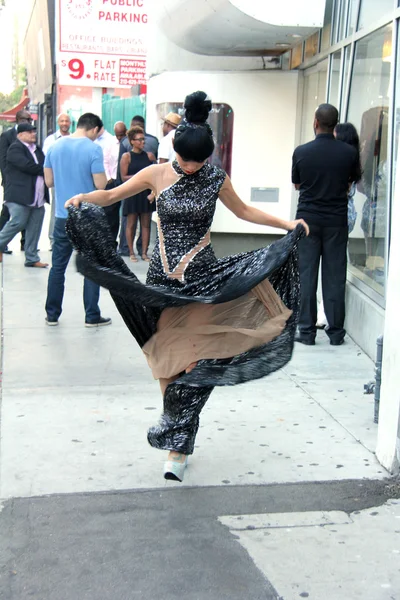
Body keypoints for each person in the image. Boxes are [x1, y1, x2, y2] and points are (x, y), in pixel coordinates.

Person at [65, 91, 308, 483]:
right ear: (174, 152)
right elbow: (110, 195)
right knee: (164, 360)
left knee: (195, 361)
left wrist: (286, 225)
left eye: (198, 161)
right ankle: (177, 426)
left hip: (203, 283)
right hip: (160, 284)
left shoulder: (215, 177)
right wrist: (82, 198)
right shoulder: (156, 173)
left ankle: (177, 446)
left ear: (209, 157)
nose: (191, 167)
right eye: (184, 160)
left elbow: (244, 210)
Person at [292, 104, 361, 347]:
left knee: (307, 276)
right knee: (334, 276)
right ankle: (336, 334)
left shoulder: (301, 152)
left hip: (307, 221)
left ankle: (307, 332)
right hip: (336, 221)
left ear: (315, 122)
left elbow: (297, 185)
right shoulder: (348, 153)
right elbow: (351, 182)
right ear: (335, 124)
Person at [43, 113, 112, 327]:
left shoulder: (54, 146)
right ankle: (91, 316)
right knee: (91, 267)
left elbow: (49, 181)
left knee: (57, 267)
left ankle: (52, 315)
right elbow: (100, 185)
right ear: (93, 129)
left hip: (62, 216)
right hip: (86, 216)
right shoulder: (93, 149)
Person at [316, 122, 362, 328]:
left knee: (329, 268)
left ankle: (325, 313)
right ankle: (326, 312)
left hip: (338, 215)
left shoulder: (342, 160)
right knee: (335, 263)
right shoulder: (351, 159)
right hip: (344, 214)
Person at [0, 122, 49, 267]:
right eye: (29, 132)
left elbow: (46, 163)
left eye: (34, 131)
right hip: (19, 196)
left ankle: (32, 258)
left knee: (35, 227)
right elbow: (27, 166)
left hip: (37, 197)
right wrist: (44, 171)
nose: (33, 134)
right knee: (18, 222)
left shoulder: (37, 149)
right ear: (20, 135)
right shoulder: (15, 148)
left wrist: (45, 169)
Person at [0, 109, 32, 253]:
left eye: (29, 120)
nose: (27, 122)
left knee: (27, 211)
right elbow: (3, 160)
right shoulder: (7, 136)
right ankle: (2, 243)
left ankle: (25, 244)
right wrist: (7, 181)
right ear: (18, 120)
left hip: (26, 183)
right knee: (7, 212)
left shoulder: (31, 136)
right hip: (11, 183)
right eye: (24, 120)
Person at [120, 126, 153, 262]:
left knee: (146, 224)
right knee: (131, 223)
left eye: (143, 139)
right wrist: (140, 177)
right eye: (139, 140)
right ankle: (131, 252)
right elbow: (123, 177)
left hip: (145, 193)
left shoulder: (149, 156)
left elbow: (154, 173)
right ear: (132, 141)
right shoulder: (126, 156)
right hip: (132, 192)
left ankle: (144, 253)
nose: (142, 142)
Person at [43, 113, 72, 249]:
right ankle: (53, 239)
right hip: (57, 180)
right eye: (62, 121)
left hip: (73, 179)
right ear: (58, 123)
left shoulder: (74, 139)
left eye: (67, 121)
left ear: (70, 123)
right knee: (57, 209)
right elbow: (46, 162)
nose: (64, 123)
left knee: (73, 209)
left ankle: (72, 239)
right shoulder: (51, 140)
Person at [97, 121, 127, 243]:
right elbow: (105, 161)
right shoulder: (110, 143)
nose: (119, 138)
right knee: (111, 214)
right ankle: (110, 241)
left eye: (122, 135)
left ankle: (123, 243)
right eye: (117, 135)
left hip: (124, 182)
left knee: (124, 214)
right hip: (112, 181)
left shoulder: (127, 143)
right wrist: (108, 177)